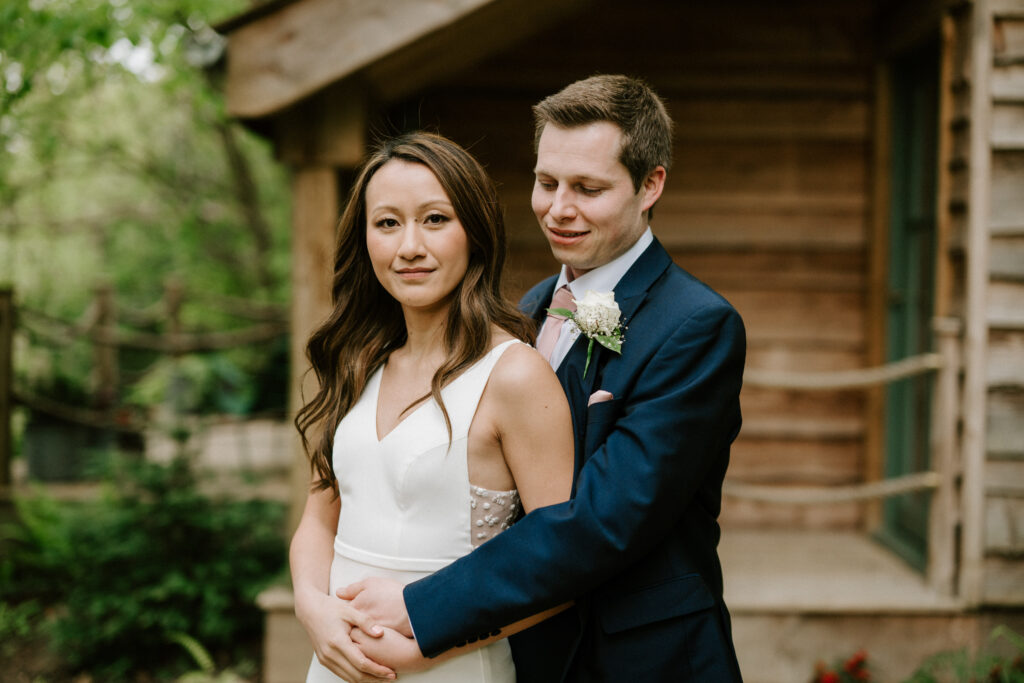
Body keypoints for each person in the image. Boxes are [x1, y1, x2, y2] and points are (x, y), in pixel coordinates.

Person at [338, 74, 747, 682]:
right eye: (546, 181)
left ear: (650, 184)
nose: (558, 209)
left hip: (644, 658)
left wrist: (418, 607)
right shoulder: (528, 308)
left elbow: (603, 521)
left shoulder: (697, 326)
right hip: (527, 651)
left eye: (588, 188)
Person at [289, 131, 575, 683]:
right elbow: (318, 519)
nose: (409, 247)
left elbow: (558, 570)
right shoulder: (359, 360)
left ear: (475, 231)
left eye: (435, 219)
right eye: (388, 223)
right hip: (335, 663)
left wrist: (423, 651)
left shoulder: (515, 375)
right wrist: (312, 608)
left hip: (452, 665)